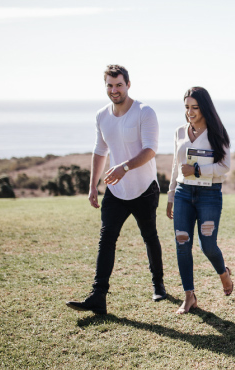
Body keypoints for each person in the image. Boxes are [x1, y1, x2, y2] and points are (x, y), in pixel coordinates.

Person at [66, 64, 166, 315]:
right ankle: (98, 296)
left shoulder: (145, 112)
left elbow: (150, 150)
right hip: (115, 191)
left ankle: (158, 285)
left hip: (144, 188)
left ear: (128, 84)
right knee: (106, 239)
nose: (114, 90)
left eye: (119, 84)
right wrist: (92, 186)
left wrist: (124, 167)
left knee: (149, 236)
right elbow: (100, 151)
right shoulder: (101, 115)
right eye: (110, 85)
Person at [166, 87, 234, 314]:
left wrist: (196, 170)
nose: (190, 112)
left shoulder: (217, 132)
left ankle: (223, 272)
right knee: (182, 244)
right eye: (187, 108)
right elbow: (176, 166)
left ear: (205, 108)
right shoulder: (179, 132)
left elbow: (224, 166)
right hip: (184, 194)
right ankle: (189, 296)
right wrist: (171, 195)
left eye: (195, 108)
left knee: (208, 246)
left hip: (209, 195)